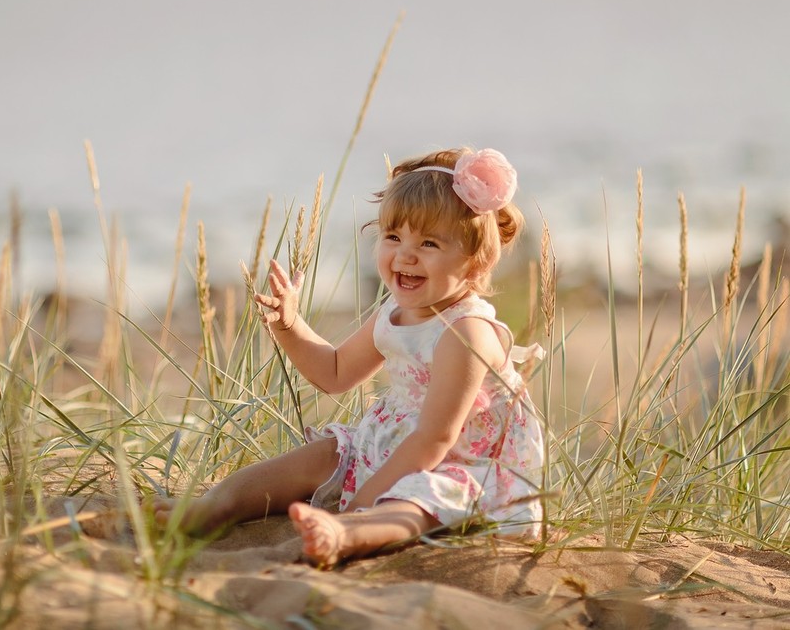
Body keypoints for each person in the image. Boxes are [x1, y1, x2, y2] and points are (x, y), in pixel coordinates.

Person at [151, 147, 544, 567]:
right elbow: (335, 373)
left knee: (413, 505)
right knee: (314, 458)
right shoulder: (394, 314)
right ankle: (216, 506)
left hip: (460, 465)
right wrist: (289, 325)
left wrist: (365, 500)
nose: (405, 255)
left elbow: (436, 438)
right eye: (393, 237)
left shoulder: (465, 333)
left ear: (474, 261)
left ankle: (346, 533)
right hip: (395, 445)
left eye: (429, 243)